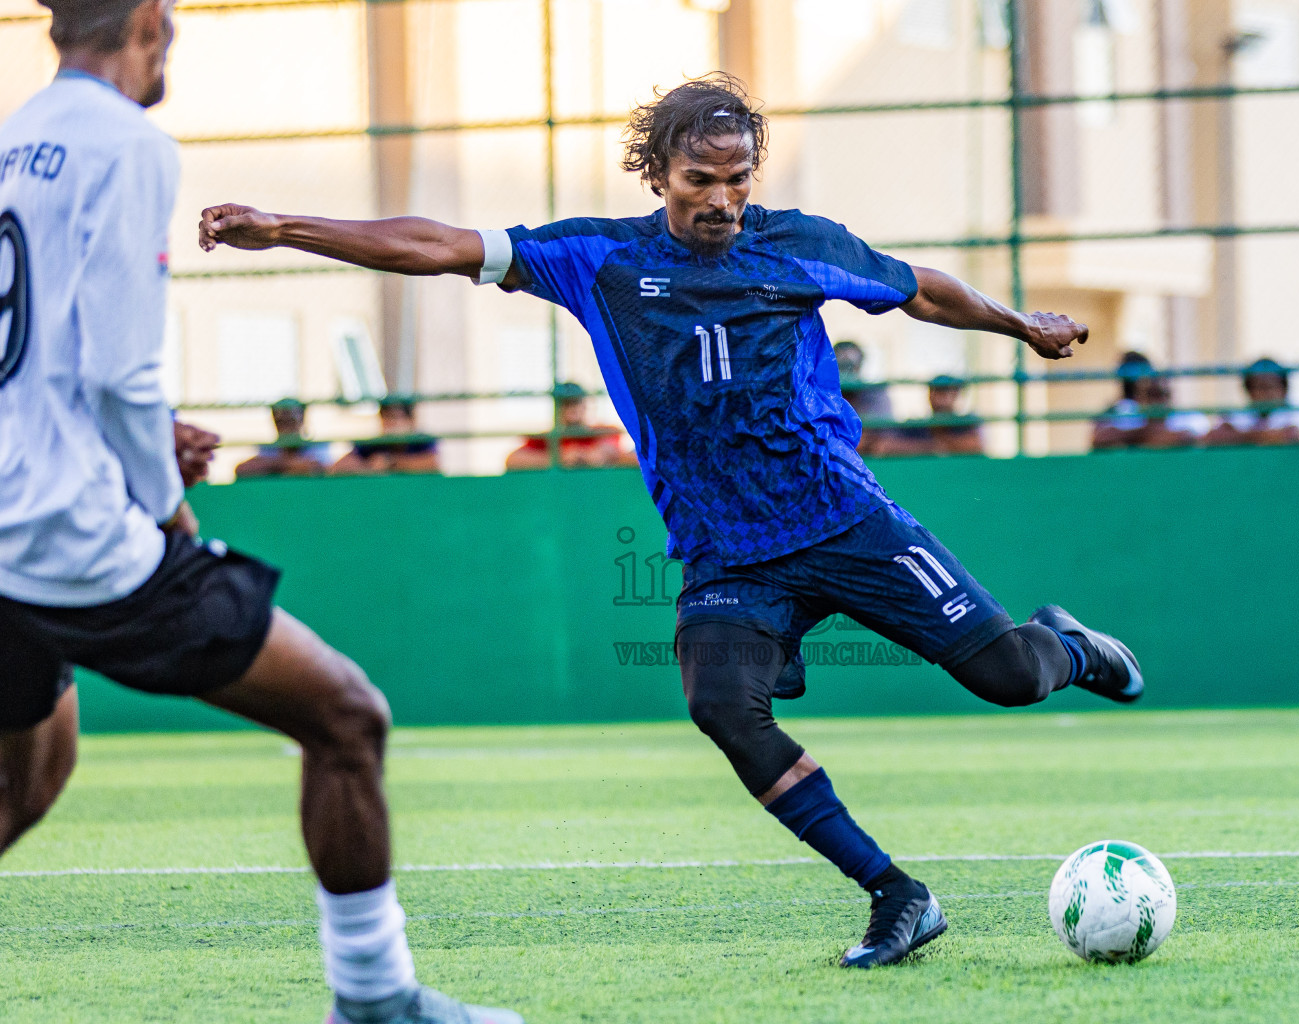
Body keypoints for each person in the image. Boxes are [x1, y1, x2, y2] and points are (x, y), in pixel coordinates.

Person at [198, 72, 1145, 971]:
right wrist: (285, 227)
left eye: (738, 180)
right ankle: (896, 894)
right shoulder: (601, 260)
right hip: (726, 552)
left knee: (1012, 678)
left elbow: (922, 288)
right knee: (723, 708)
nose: (722, 200)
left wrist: (1022, 324)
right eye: (700, 180)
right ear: (657, 176)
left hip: (843, 520)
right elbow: (439, 246)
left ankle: (1066, 643)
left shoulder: (797, 242)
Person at [0, 4, 521, 1022]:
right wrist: (169, 514)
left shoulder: (13, 137)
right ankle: (376, 999)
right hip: (73, 537)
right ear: (151, 19)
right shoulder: (131, 142)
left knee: (27, 780)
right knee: (345, 715)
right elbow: (119, 370)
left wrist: (132, 433)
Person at [504, 381, 637, 470]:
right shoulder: (547, 439)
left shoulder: (603, 432)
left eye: (575, 403)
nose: (572, 409)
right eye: (566, 404)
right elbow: (512, 460)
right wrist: (559, 459)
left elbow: (611, 452)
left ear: (584, 405)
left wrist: (589, 456)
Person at [1091, 351, 1208, 450]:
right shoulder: (1126, 414)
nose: (1158, 401)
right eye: (1151, 394)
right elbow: (1100, 439)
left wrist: (1137, 438)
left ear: (1171, 395)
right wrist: (1147, 433)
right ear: (1139, 398)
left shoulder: (1188, 417)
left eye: (1163, 394)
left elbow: (1203, 438)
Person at [331, 396, 441, 476]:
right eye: (385, 418)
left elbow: (433, 463)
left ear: (411, 421)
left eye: (394, 417)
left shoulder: (421, 441)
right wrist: (369, 467)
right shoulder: (374, 444)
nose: (389, 424)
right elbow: (339, 466)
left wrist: (391, 463)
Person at [1205, 357, 1299, 447]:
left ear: (1284, 390)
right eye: (1260, 387)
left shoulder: (1298, 413)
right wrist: (1272, 436)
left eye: (1271, 386)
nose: (1266, 393)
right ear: (1248, 391)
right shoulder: (1236, 415)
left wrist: (1241, 436)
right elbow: (1214, 436)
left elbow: (1294, 434)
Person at [886, 375, 985, 456]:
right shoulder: (915, 426)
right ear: (929, 395)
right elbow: (885, 447)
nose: (941, 397)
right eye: (936, 391)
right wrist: (931, 446)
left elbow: (975, 446)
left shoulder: (967, 422)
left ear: (956, 395)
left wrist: (940, 442)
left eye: (945, 391)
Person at [833, 340, 898, 456]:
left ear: (859, 367)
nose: (846, 372)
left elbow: (881, 442)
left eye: (851, 366)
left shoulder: (875, 395)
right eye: (840, 366)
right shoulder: (819, 395)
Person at [235, 398, 329, 478]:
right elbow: (242, 469)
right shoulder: (268, 449)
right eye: (280, 422)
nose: (285, 428)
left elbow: (319, 468)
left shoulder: (318, 446)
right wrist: (290, 465)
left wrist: (273, 467)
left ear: (302, 420)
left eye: (290, 421)